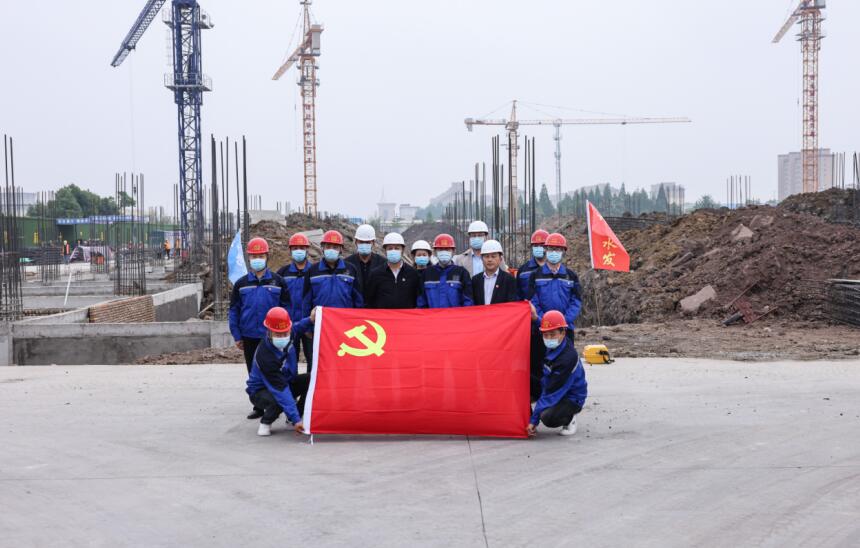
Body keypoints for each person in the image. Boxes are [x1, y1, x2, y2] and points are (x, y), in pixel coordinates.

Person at [228, 237, 291, 418]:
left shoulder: (278, 282)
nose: (257, 259)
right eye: (254, 256)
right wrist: (237, 335)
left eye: (261, 256)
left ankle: (280, 404)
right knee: (253, 372)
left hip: (273, 337)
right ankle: (258, 407)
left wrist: (286, 333)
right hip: (249, 336)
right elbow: (234, 311)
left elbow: (287, 308)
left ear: (267, 256)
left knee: (276, 371)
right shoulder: (241, 284)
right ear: (249, 258)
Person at [527, 232, 582, 401]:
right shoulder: (535, 276)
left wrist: (563, 323)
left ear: (563, 252)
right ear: (546, 250)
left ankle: (564, 398)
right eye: (551, 249)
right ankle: (540, 396)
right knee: (539, 364)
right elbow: (533, 301)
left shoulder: (571, 276)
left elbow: (576, 302)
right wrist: (544, 322)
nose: (554, 252)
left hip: (565, 331)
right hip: (541, 330)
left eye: (558, 249)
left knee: (565, 364)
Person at [246, 307, 314, 437]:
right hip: (261, 390)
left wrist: (311, 319)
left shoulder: (289, 334)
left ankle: (294, 416)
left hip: (285, 381)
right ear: (269, 332)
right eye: (278, 335)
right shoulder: (265, 356)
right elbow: (280, 389)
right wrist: (296, 419)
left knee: (312, 379)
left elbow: (298, 327)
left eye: (285, 333)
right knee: (278, 400)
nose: (283, 337)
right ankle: (266, 422)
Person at [528, 310, 587, 438]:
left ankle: (569, 419)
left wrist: (534, 421)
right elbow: (547, 329)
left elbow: (551, 392)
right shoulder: (557, 342)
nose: (549, 338)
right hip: (550, 383)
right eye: (546, 335)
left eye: (552, 335)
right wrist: (536, 318)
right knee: (525, 380)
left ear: (563, 333)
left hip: (571, 397)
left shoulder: (567, 359)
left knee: (547, 417)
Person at [302, 230, 364, 321]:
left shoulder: (351, 270)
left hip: (345, 322)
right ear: (322, 248)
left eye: (335, 247)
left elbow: (358, 300)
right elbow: (306, 302)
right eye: (328, 246)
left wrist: (357, 321)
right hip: (320, 322)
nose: (331, 250)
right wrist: (308, 323)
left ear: (341, 249)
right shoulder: (312, 271)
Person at [277, 232, 314, 369]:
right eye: (295, 248)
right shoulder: (282, 273)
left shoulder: (315, 271)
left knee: (313, 359)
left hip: (309, 323)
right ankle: (291, 383)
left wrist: (311, 323)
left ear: (307, 250)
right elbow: (278, 299)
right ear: (290, 250)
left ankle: (310, 383)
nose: (298, 251)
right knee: (289, 361)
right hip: (289, 325)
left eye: (302, 248)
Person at [365, 232, 421, 309]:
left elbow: (417, 300)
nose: (393, 251)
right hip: (383, 316)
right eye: (390, 248)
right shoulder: (375, 274)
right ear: (385, 250)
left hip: (406, 316)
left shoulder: (413, 274)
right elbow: (369, 301)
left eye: (397, 248)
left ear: (402, 250)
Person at [418, 233, 474, 308]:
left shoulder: (462, 273)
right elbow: (421, 302)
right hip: (433, 315)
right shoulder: (427, 274)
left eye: (447, 249)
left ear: (453, 251)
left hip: (455, 315)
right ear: (435, 252)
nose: (444, 252)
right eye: (440, 249)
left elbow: (468, 301)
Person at [471, 239, 518, 305]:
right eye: (486, 256)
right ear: (482, 259)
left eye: (493, 256)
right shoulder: (475, 280)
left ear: (500, 259)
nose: (490, 260)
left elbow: (512, 305)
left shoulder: (509, 280)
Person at [345, 224, 385, 295]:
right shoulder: (347, 263)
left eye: (367, 242)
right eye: (361, 242)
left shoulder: (382, 263)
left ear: (373, 243)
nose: (364, 244)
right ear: (356, 242)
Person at [515, 229, 549, 299]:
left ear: (548, 247)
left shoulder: (555, 269)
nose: (538, 248)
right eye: (535, 245)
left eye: (541, 245)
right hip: (529, 305)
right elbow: (517, 295)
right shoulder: (523, 271)